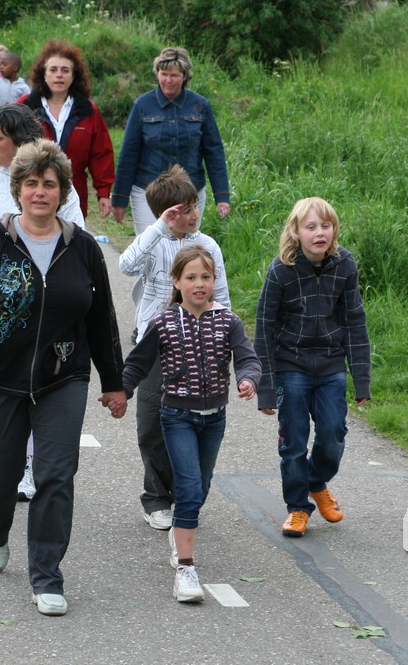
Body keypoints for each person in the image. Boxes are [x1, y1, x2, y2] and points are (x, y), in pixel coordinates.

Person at [0, 138, 126, 617]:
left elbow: (102, 319)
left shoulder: (83, 248)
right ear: (18, 190)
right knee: (0, 477)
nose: (40, 192)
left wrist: (113, 382)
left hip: (64, 378)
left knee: (55, 476)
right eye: (31, 184)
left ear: (63, 191)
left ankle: (47, 575)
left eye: (49, 184)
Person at [0, 104, 85, 501]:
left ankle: (27, 464)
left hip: (44, 308)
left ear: (20, 141)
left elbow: (78, 237)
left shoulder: (56, 185)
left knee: (38, 382)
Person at [119, 246, 259, 602]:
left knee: (200, 487)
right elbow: (137, 364)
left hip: (214, 420)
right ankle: (185, 569)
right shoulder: (164, 322)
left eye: (206, 277)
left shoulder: (228, 321)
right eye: (191, 277)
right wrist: (121, 392)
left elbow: (247, 358)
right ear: (177, 282)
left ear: (215, 280)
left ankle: (180, 527)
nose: (199, 284)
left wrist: (248, 379)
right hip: (176, 417)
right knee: (190, 486)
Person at [118, 165, 229, 531]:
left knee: (198, 422)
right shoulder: (153, 243)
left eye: (195, 206)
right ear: (167, 214)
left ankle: (187, 492)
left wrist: (224, 341)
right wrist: (158, 228)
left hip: (199, 345)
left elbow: (222, 297)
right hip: (155, 345)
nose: (194, 214)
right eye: (185, 210)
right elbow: (126, 265)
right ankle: (156, 498)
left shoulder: (208, 246)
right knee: (152, 422)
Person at [254, 197, 371, 538]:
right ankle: (297, 508)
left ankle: (316, 482)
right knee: (293, 442)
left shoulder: (344, 265)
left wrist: (361, 380)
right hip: (291, 366)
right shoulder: (281, 271)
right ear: (296, 232)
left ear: (334, 230)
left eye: (326, 225)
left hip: (331, 365)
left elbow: (355, 322)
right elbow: (264, 328)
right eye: (311, 227)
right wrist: (265, 387)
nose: (319, 232)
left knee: (333, 435)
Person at [111, 46, 231, 232]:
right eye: (163, 74)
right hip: (147, 192)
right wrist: (119, 199)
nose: (168, 80)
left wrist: (222, 196)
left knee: (184, 246)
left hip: (191, 191)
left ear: (184, 76)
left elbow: (214, 152)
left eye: (174, 75)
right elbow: (128, 154)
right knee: (151, 244)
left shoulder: (200, 105)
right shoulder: (142, 105)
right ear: (157, 73)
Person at [21, 39, 114, 220]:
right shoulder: (25, 107)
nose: (59, 75)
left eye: (65, 70)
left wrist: (103, 192)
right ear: (43, 74)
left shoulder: (88, 111)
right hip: (33, 194)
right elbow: (7, 143)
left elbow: (101, 154)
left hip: (74, 193)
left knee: (71, 238)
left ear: (73, 76)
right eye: (53, 70)